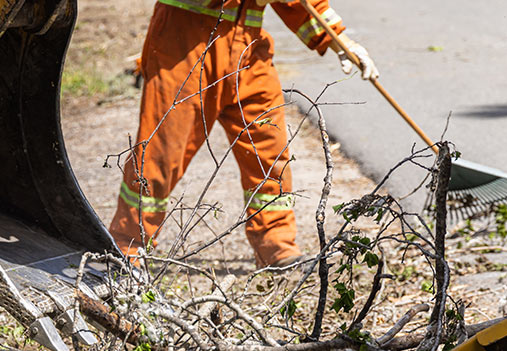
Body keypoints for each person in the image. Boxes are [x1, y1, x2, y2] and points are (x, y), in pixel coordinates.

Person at [108, 0, 379, 268]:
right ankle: (127, 248)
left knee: (269, 149)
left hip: (247, 50)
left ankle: (277, 247)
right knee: (161, 154)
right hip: (184, 47)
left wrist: (338, 39)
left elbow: (301, 2)